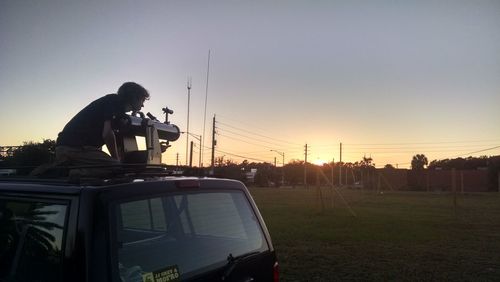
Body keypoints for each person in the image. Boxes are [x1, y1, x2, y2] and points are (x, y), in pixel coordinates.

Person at [55, 82, 149, 170]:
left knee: (115, 166)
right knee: (118, 169)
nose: (143, 105)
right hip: (73, 149)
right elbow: (107, 134)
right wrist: (116, 159)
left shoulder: (115, 107)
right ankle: (74, 173)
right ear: (134, 97)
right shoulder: (114, 102)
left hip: (73, 148)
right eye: (142, 100)